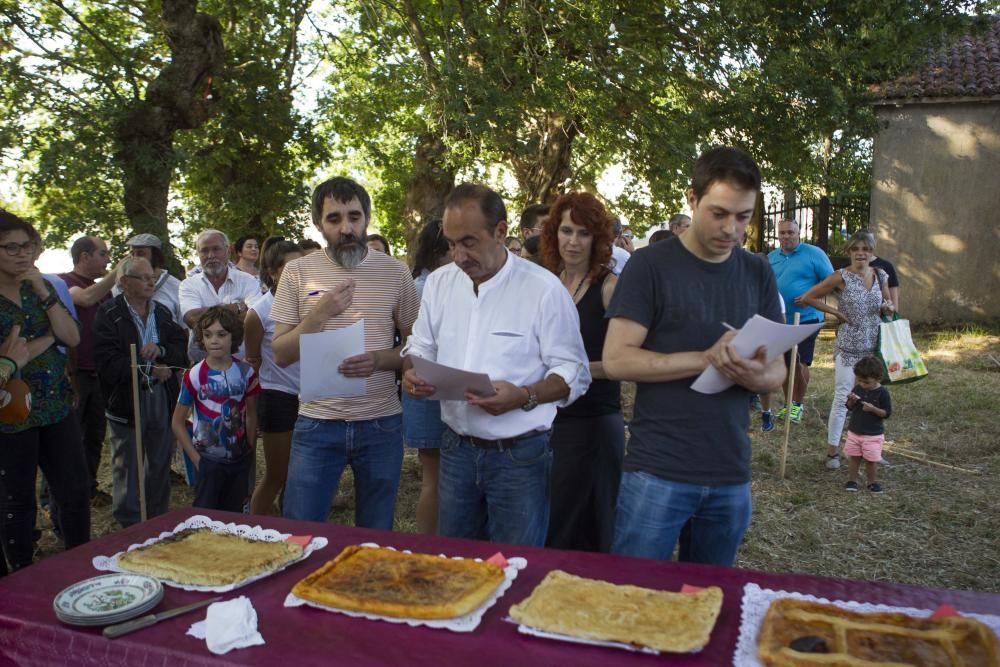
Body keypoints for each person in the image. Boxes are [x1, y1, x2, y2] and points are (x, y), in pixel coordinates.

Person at [602, 147, 786, 566]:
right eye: (719, 213)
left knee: (708, 603)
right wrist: (705, 359)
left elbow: (778, 370)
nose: (731, 229)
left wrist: (753, 374)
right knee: (632, 597)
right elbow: (617, 361)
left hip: (730, 470)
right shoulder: (650, 265)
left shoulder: (756, 270)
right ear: (691, 198)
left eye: (743, 216)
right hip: (657, 470)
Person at [403, 183, 590, 547]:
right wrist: (414, 374)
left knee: (517, 563)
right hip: (455, 450)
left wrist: (525, 395)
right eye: (451, 243)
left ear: (501, 232)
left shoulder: (543, 289)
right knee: (457, 560)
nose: (458, 256)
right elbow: (419, 347)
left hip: (519, 457)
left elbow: (574, 373)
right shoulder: (440, 284)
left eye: (469, 242)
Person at [271, 177, 419, 529]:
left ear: (367, 218)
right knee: (301, 530)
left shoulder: (397, 272)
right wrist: (319, 313)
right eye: (334, 219)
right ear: (318, 224)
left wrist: (381, 360)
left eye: (354, 216)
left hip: (381, 424)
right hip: (317, 423)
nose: (346, 227)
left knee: (376, 531)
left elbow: (416, 349)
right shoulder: (297, 272)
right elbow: (280, 354)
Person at [0, 210, 90, 572]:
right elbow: (11, 356)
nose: (24, 254)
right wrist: (42, 342)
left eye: (29, 246)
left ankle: (82, 562)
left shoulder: (41, 287)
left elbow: (72, 337)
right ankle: (20, 574)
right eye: (12, 248)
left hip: (55, 404)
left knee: (74, 490)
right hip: (10, 412)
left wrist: (42, 290)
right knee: (17, 500)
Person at [538, 192, 623, 552]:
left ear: (599, 238)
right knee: (552, 520)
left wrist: (573, 372)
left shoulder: (610, 286)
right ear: (554, 234)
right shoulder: (545, 281)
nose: (573, 242)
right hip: (547, 418)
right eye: (567, 231)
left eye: (584, 233)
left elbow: (625, 362)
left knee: (592, 523)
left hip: (594, 421)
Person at [93, 257, 187, 527]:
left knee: (159, 460)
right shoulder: (109, 314)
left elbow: (180, 346)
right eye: (143, 277)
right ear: (124, 283)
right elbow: (107, 363)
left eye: (152, 276)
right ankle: (130, 523)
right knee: (128, 464)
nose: (151, 281)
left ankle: (156, 519)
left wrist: (163, 353)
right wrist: (147, 369)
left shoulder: (161, 312)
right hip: (126, 399)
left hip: (162, 395)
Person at [799, 230, 894, 469]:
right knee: (843, 397)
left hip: (872, 347)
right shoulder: (840, 277)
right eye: (856, 249)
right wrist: (836, 313)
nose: (861, 253)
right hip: (848, 347)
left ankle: (871, 449)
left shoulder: (881, 275)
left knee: (872, 397)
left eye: (866, 249)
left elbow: (887, 305)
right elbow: (809, 297)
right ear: (849, 252)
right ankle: (833, 453)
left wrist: (888, 306)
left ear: (872, 253)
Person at [172, 306, 260, 512]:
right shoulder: (194, 375)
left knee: (237, 514)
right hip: (208, 460)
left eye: (222, 334)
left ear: (234, 337)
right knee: (206, 516)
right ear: (201, 338)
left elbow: (252, 414)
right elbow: (177, 423)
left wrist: (249, 449)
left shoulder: (247, 373)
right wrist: (196, 459)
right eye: (208, 334)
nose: (214, 340)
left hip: (240, 458)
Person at [59, 235, 123, 503]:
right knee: (69, 437)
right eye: (102, 254)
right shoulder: (65, 283)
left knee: (94, 434)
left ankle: (88, 487)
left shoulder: (104, 290)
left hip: (99, 372)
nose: (107, 260)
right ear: (84, 256)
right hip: (75, 374)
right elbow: (84, 299)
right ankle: (56, 495)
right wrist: (116, 272)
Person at [246, 238, 303, 515]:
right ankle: (251, 530)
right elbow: (252, 359)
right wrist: (253, 412)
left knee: (302, 476)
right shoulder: (259, 312)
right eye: (292, 268)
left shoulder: (314, 302)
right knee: (277, 475)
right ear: (274, 272)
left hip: (313, 399)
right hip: (278, 398)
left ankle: (293, 527)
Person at [404, 219, 452, 534]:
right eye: (454, 246)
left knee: (437, 478)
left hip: (434, 385)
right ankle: (428, 545)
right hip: (430, 387)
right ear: (437, 252)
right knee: (435, 478)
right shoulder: (428, 286)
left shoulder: (425, 281)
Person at [766, 219, 834, 427]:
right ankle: (787, 404)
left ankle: (798, 403)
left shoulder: (814, 254)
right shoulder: (772, 257)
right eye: (782, 233)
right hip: (780, 320)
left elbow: (832, 281)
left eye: (791, 232)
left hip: (807, 318)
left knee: (800, 361)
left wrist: (810, 295)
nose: (786, 236)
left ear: (799, 233)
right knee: (786, 362)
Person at [179, 230, 261, 363]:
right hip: (201, 365)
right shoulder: (188, 285)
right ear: (198, 254)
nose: (211, 255)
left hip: (243, 364)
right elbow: (192, 318)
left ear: (228, 251)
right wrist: (238, 308)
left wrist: (206, 318)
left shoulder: (248, 281)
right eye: (204, 251)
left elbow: (254, 319)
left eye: (216, 249)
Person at [111, 233, 184, 327]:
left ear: (155, 256)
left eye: (141, 254)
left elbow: (185, 331)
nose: (135, 258)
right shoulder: (122, 285)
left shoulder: (177, 287)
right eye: (132, 253)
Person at [843, 356, 892, 494]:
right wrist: (851, 402)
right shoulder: (858, 388)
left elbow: (886, 413)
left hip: (872, 434)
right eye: (860, 381)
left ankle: (872, 482)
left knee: (871, 460)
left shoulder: (882, 393)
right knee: (854, 458)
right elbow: (849, 407)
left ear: (877, 378)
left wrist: (873, 409)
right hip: (855, 431)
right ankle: (852, 480)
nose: (862, 385)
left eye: (867, 382)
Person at [860, 230, 900, 311]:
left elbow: (893, 303)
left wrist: (890, 309)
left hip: (880, 320)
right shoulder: (847, 268)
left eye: (869, 242)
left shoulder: (885, 267)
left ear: (874, 244)